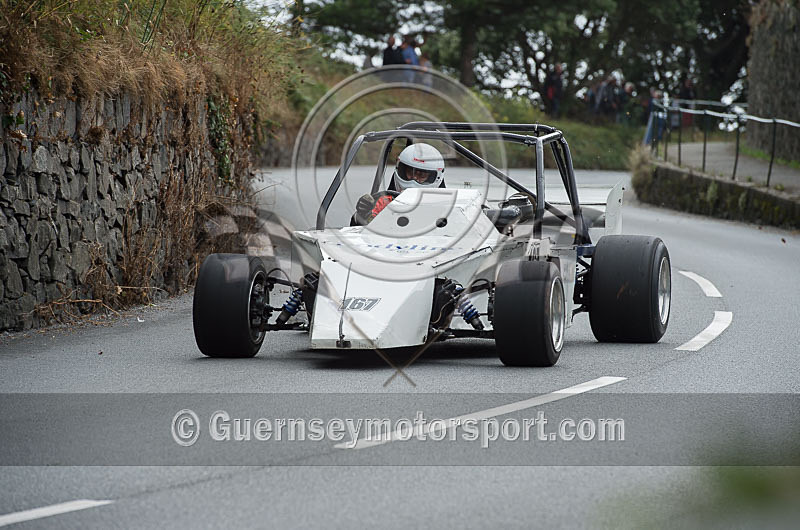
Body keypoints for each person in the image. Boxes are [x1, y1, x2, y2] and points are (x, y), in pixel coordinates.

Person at [354, 143, 445, 225]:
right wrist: (362, 215)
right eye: (410, 172)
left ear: (436, 178)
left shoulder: (446, 208)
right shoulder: (383, 203)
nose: (414, 179)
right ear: (400, 169)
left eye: (421, 175)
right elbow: (360, 234)